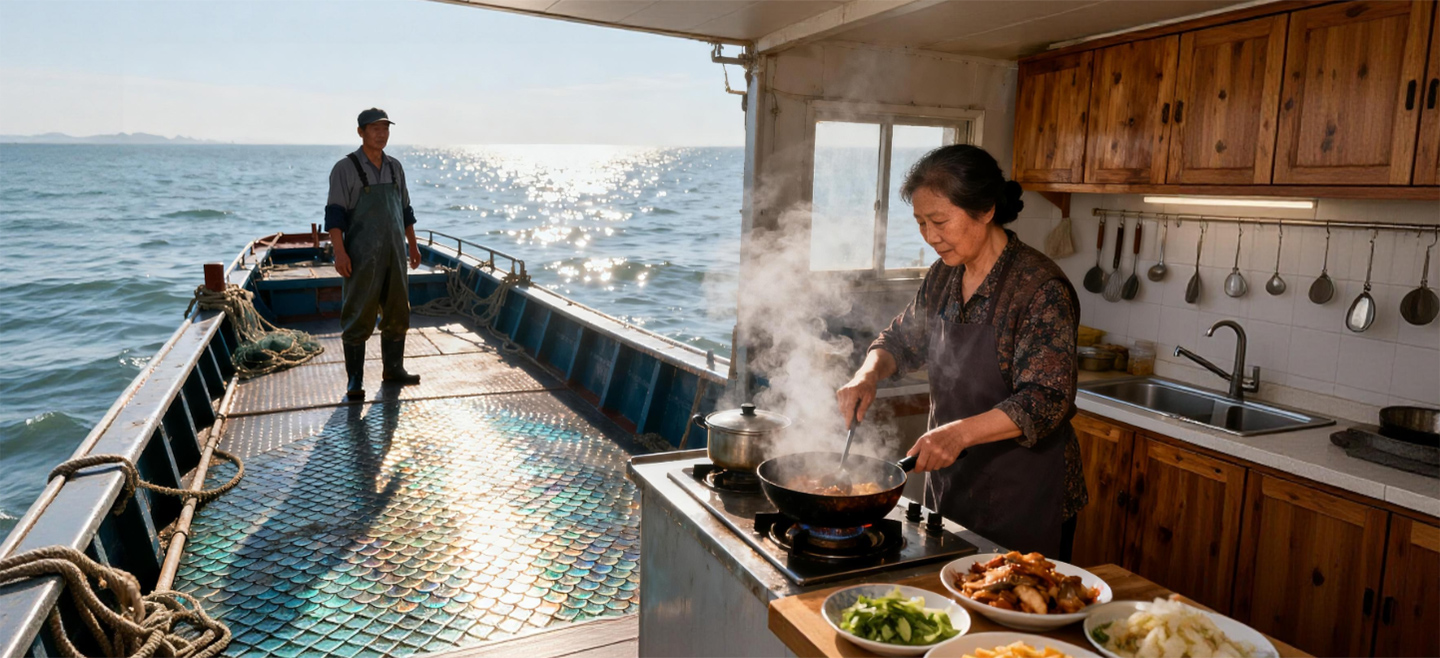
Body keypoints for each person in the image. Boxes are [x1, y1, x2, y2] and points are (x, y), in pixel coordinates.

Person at [836, 144, 1085, 559]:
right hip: (954, 482)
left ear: (985, 210)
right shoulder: (943, 276)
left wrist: (957, 434)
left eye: (939, 221)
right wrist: (867, 374)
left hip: (1025, 494)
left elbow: (1046, 400)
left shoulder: (1039, 288)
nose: (930, 237)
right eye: (921, 223)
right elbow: (900, 341)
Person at [324, 108, 423, 400]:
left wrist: (413, 245)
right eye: (375, 129)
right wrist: (340, 253)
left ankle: (394, 369)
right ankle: (355, 380)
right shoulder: (345, 168)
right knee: (358, 313)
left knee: (398, 310)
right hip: (361, 255)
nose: (381, 134)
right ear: (361, 132)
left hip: (395, 253)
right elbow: (334, 216)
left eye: (385, 129)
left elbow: (405, 210)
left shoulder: (395, 167)